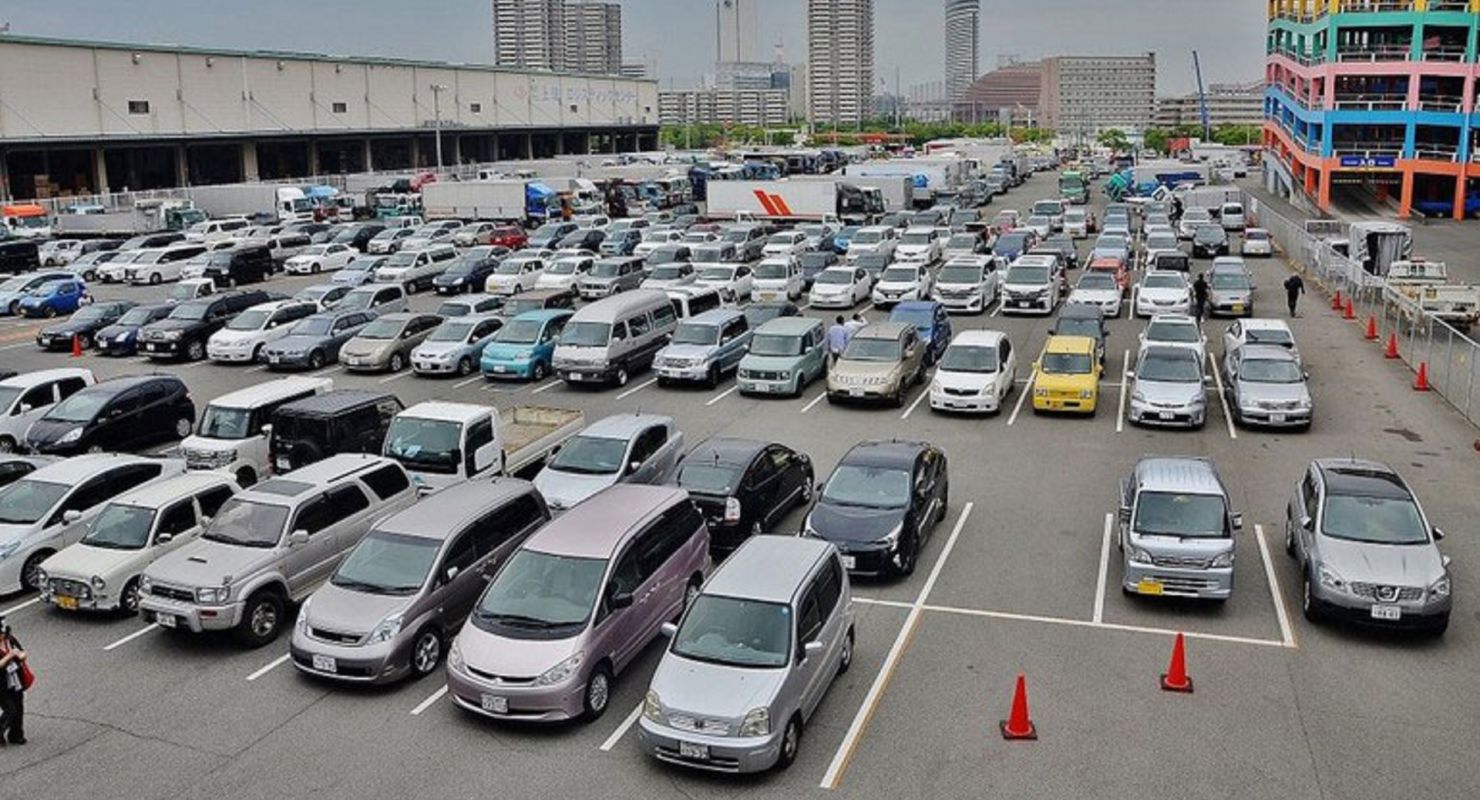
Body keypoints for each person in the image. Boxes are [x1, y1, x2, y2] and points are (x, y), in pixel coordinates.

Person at [0, 615, 26, 745]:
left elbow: (22, 652)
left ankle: (16, 735)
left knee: (19, 708)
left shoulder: (10, 640)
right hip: (1, 685)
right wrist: (9, 656)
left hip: (15, 680)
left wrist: (21, 656)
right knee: (10, 710)